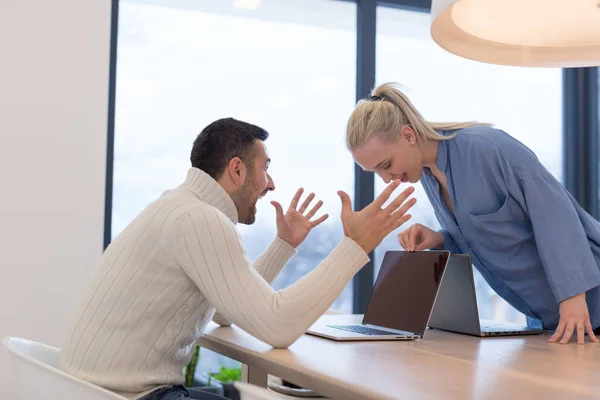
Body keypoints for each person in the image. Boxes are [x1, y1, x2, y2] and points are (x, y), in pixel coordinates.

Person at [59, 117, 416, 399]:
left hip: (94, 390)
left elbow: (224, 310)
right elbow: (278, 327)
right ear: (237, 170)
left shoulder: (179, 208)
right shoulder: (199, 219)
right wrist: (355, 244)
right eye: (265, 168)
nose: (271, 184)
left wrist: (282, 245)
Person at [345, 82, 600, 346]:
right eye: (376, 172)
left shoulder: (488, 148)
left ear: (408, 135)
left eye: (386, 165)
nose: (387, 179)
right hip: (550, 320)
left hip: (587, 305)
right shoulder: (429, 178)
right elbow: (491, 235)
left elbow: (555, 214)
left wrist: (572, 295)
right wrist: (440, 239)